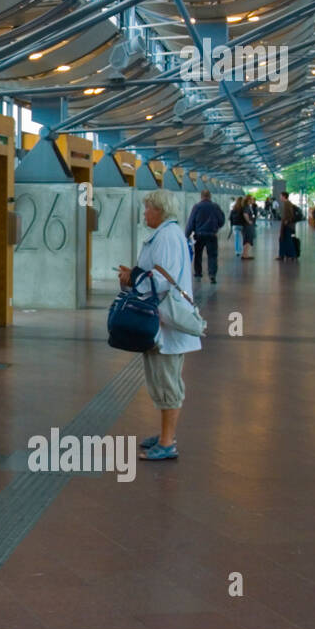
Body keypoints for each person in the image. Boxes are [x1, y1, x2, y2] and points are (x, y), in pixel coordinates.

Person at [117, 189, 201, 461]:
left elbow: (161, 279)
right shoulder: (168, 234)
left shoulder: (166, 236)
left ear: (160, 211)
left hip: (166, 321)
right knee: (161, 378)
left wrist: (134, 278)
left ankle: (167, 442)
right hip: (161, 320)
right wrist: (135, 274)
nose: (144, 213)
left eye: (147, 208)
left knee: (167, 382)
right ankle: (166, 434)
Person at [185, 189, 225, 283]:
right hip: (212, 235)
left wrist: (186, 235)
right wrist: (217, 227)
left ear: (201, 196)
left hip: (199, 235)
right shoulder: (215, 207)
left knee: (198, 255)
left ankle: (198, 273)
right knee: (212, 255)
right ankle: (212, 275)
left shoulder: (197, 207)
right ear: (210, 196)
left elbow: (191, 222)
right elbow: (222, 220)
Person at [277, 191, 298, 260]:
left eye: (280, 196)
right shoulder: (288, 203)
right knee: (284, 239)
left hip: (287, 225)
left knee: (286, 240)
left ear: (284, 196)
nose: (280, 197)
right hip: (288, 225)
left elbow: (290, 214)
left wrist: (287, 221)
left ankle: (290, 254)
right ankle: (284, 254)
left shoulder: (287, 204)